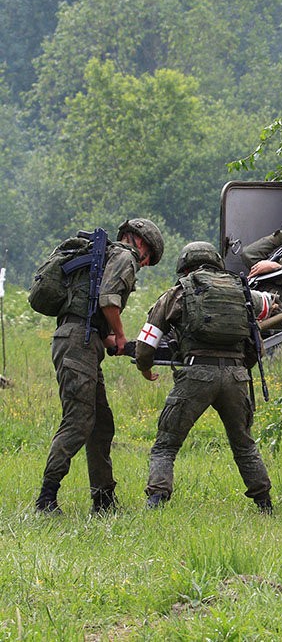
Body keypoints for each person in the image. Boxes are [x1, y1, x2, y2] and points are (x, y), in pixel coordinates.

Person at [35, 218, 164, 515]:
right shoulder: (125, 255)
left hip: (83, 340)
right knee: (78, 421)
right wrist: (120, 334)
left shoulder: (104, 257)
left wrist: (120, 343)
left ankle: (104, 500)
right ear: (141, 244)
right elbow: (109, 301)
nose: (142, 266)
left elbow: (95, 316)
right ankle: (46, 499)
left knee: (101, 424)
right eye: (147, 261)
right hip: (78, 343)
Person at [136, 241, 273, 512]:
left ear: (185, 267)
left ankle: (156, 500)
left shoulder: (178, 293)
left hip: (196, 374)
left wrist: (144, 366)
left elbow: (146, 343)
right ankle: (264, 503)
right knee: (244, 445)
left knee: (166, 444)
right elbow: (262, 328)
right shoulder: (240, 291)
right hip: (236, 377)